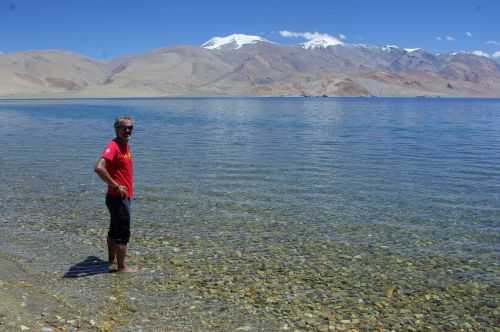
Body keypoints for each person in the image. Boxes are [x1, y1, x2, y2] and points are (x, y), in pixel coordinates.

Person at [94, 116, 137, 273]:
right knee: (123, 233)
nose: (127, 130)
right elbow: (99, 167)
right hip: (117, 197)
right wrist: (115, 185)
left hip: (118, 197)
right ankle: (122, 267)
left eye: (130, 127)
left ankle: (112, 260)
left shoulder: (125, 145)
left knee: (114, 229)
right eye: (124, 127)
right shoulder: (114, 146)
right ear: (116, 128)